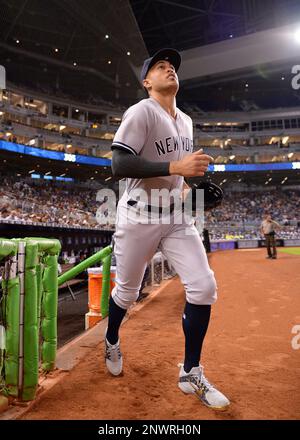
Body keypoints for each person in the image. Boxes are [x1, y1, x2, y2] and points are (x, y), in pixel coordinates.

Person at [104, 48, 230, 410]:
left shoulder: (186, 121)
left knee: (204, 286)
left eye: (172, 66)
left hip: (177, 215)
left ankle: (191, 372)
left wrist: (192, 190)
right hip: (139, 214)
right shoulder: (140, 111)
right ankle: (112, 338)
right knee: (127, 292)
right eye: (160, 67)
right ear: (147, 82)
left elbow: (176, 177)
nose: (169, 69)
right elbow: (120, 162)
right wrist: (177, 166)